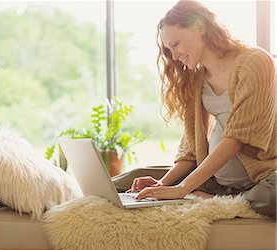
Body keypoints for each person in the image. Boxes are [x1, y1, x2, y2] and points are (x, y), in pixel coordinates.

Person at [112, 0, 276, 219]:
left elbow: (237, 137)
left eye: (176, 43)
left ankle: (227, 201)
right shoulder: (196, 78)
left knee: (273, 195)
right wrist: (164, 184)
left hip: (260, 177)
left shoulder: (255, 62)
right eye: (169, 49)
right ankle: (211, 195)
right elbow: (191, 147)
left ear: (200, 28)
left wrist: (183, 188)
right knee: (131, 179)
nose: (174, 55)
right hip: (215, 181)